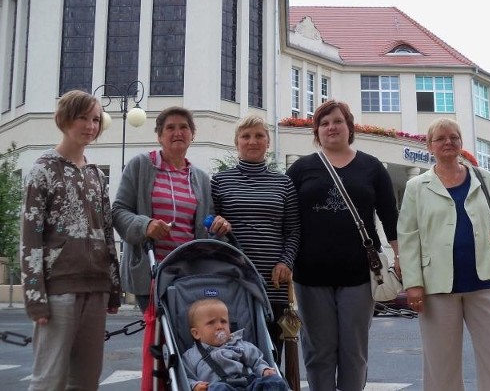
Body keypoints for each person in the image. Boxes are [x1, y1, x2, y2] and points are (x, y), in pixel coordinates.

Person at [397, 117, 490, 391]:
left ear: (461, 143)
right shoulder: (417, 186)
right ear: (430, 146)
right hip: (436, 287)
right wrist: (413, 284)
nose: (448, 142)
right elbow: (407, 236)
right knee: (441, 364)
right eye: (440, 138)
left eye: (454, 137)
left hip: (484, 282)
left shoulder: (482, 178)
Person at [285, 100, 399, 391]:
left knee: (354, 351)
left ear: (349, 127)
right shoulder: (301, 168)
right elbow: (285, 218)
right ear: (316, 131)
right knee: (319, 351)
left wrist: (400, 257)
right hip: (310, 275)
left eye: (337, 121)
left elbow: (390, 216)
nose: (330, 127)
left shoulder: (371, 167)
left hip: (359, 274)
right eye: (323, 123)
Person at [21, 89, 121, 391]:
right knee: (49, 379)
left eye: (95, 119)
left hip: (96, 287)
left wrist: (114, 287)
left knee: (87, 380)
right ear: (64, 119)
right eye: (83, 117)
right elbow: (30, 238)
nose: (91, 126)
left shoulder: (96, 176)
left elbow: (106, 233)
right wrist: (35, 297)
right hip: (58, 289)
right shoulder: (43, 170)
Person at [113, 105, 229, 313]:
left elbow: (206, 226)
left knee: (187, 336)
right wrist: (145, 225)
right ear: (159, 136)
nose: (178, 132)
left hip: (189, 273)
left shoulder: (201, 178)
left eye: (184, 127)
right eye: (170, 128)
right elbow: (119, 211)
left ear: (192, 135)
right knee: (158, 337)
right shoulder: (140, 166)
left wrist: (219, 227)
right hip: (150, 271)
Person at [210, 115, 300, 365]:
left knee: (271, 358)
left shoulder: (284, 183)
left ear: (268, 142)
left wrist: (286, 262)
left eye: (259, 135)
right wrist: (216, 227)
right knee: (233, 356)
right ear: (236, 142)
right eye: (246, 136)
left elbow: (293, 230)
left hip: (273, 282)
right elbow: (208, 230)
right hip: (233, 282)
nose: (253, 141)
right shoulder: (219, 181)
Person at [183, 298, 289, 391]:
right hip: (219, 387)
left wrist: (264, 369)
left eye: (223, 321)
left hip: (249, 385)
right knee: (217, 389)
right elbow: (185, 377)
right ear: (196, 333)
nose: (219, 326)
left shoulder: (240, 345)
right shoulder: (192, 356)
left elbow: (257, 361)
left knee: (275, 381)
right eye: (211, 323)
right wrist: (194, 385)